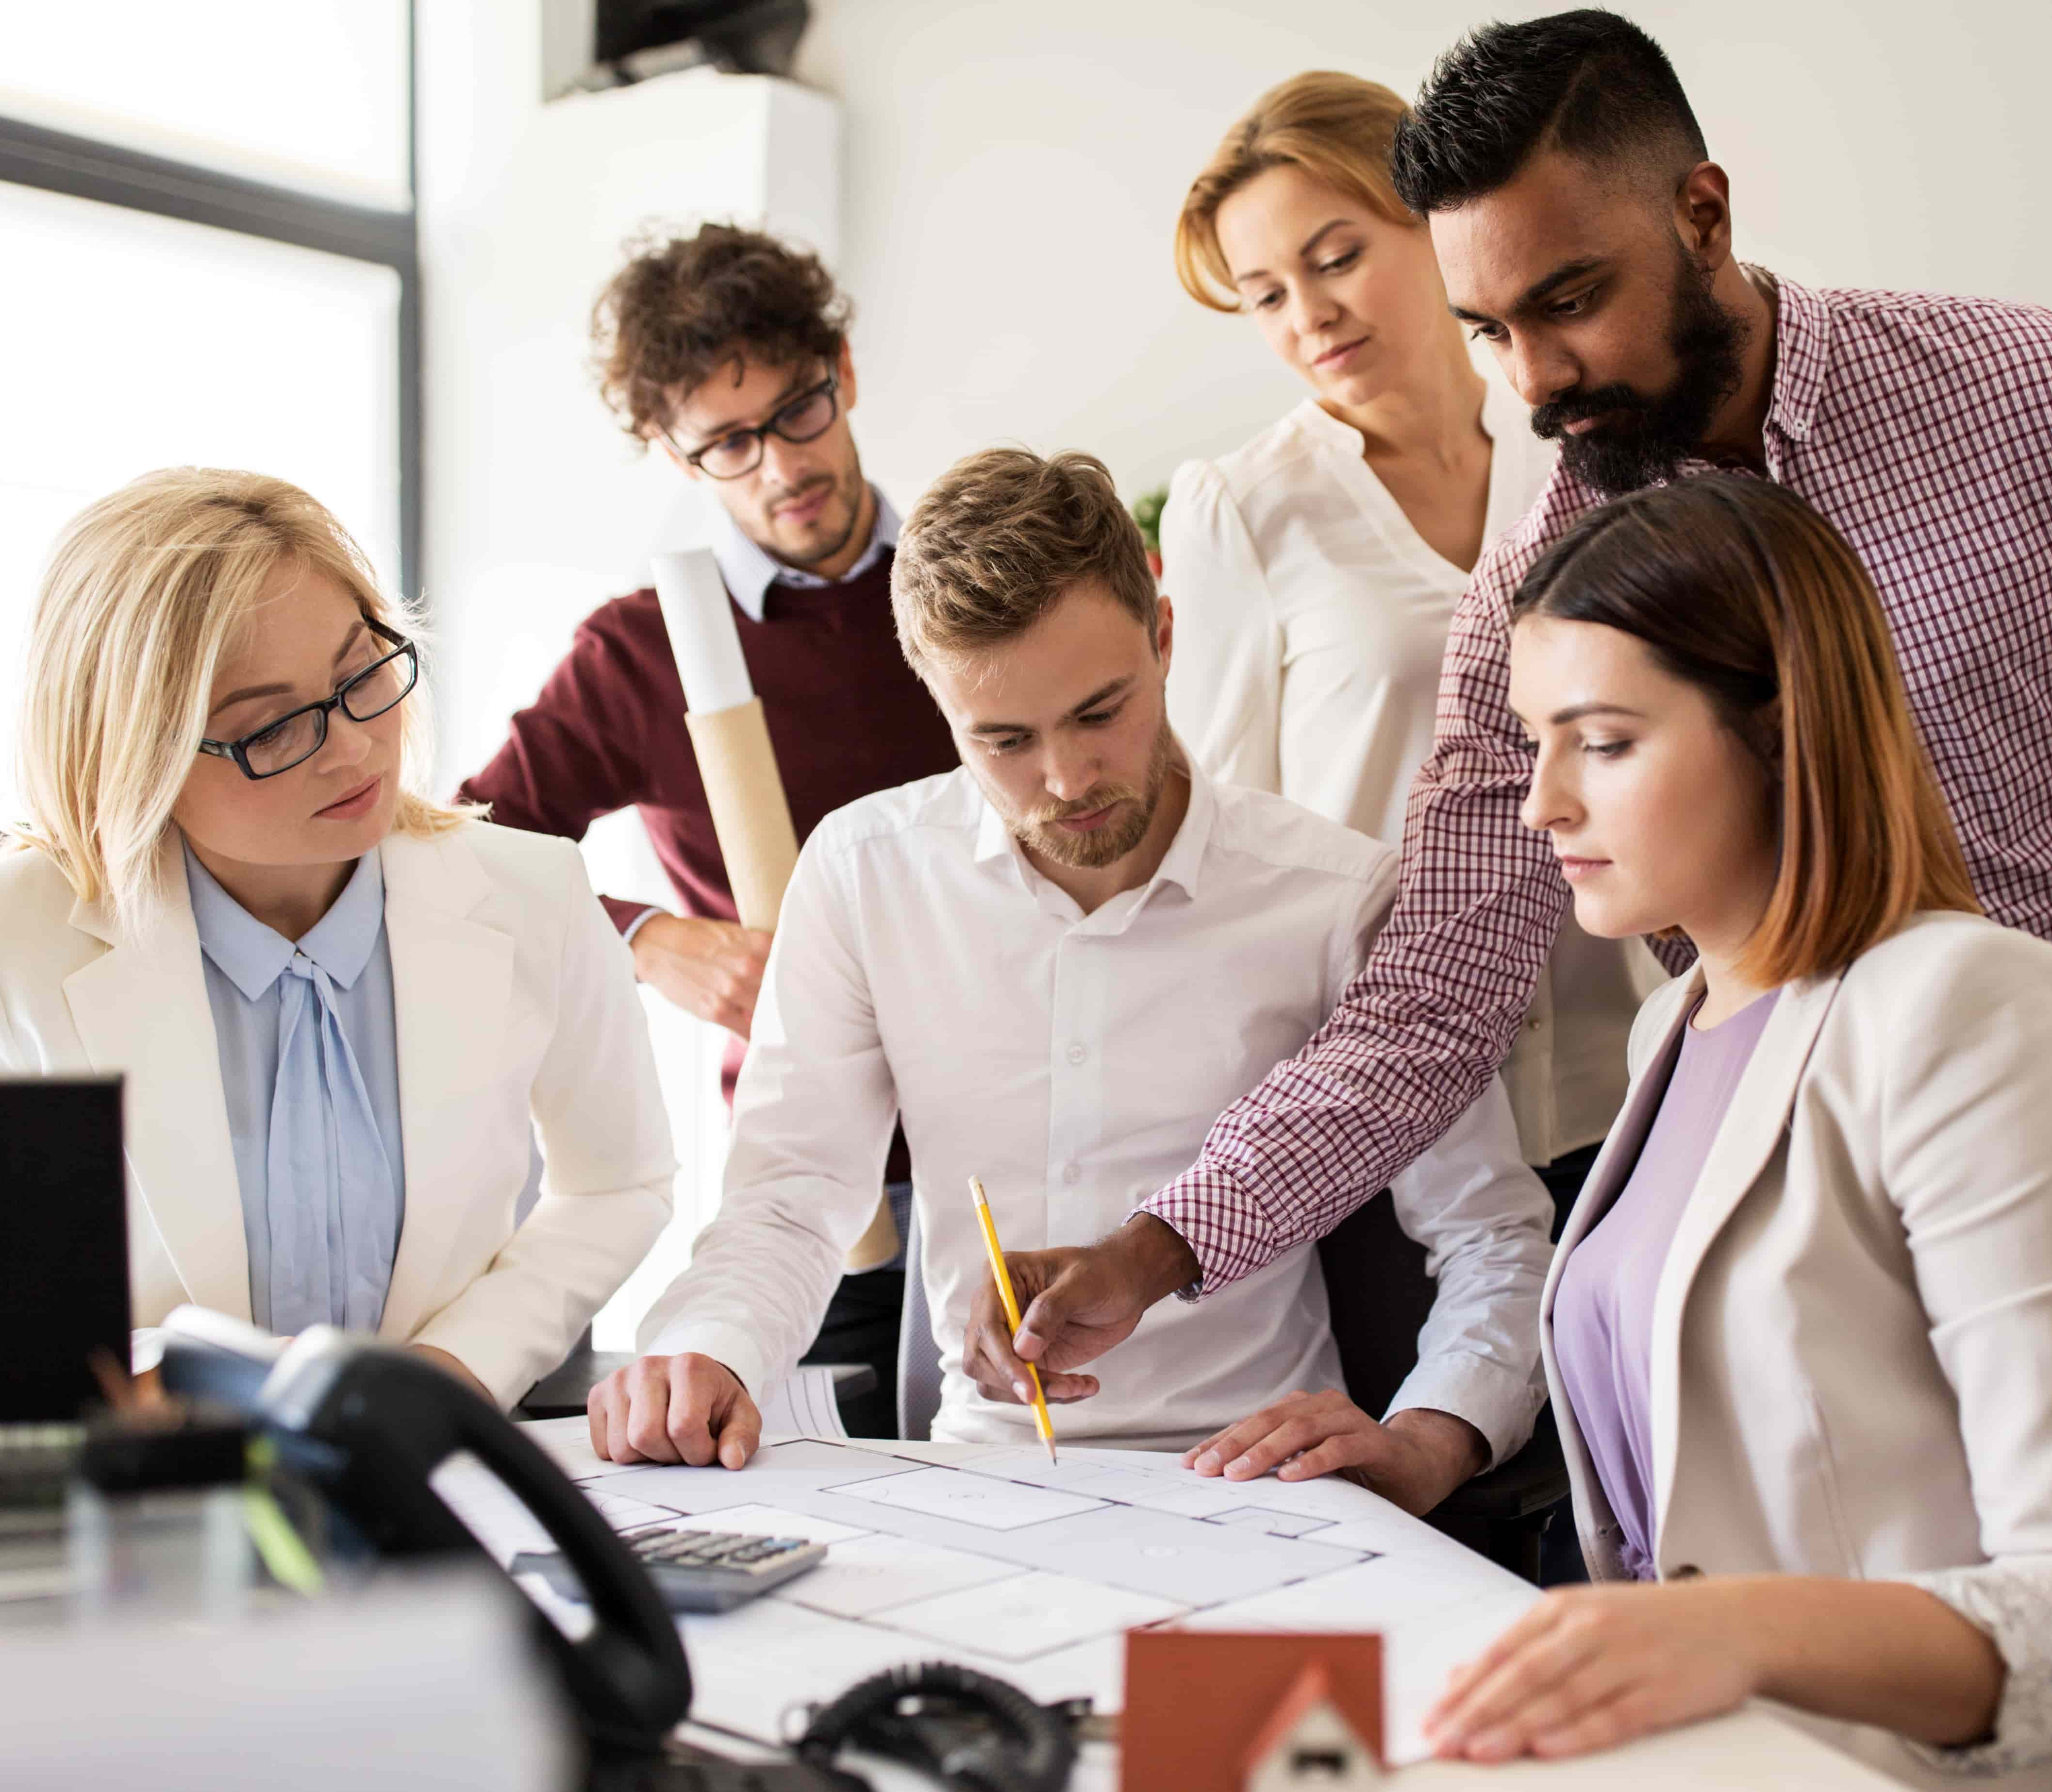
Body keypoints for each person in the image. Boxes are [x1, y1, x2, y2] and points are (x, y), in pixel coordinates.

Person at [968, 7, 2052, 1404]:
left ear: (1704, 215)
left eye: (1571, 303)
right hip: (1766, 1155)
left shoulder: (2044, 393)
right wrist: (1158, 1252)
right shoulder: (1541, 584)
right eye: (1489, 331)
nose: (1538, 381)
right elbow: (1435, 993)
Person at [1419, 475, 2052, 1792]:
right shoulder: (1670, 1029)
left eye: (1605, 743)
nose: (1541, 805)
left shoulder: (1972, 1007)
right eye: (1536, 743)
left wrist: (1725, 1637)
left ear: (1781, 733)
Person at [585, 448, 1550, 1519]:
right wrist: (704, 1353)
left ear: (1166, 638)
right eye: (1003, 739)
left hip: (1264, 1484)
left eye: (1102, 711)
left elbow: (1493, 1240)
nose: (1067, 780)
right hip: (974, 1481)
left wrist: (1433, 1439)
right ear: (938, 704)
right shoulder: (864, 873)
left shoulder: (1333, 896)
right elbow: (791, 1197)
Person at [0, 469, 675, 1406]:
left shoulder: (532, 891)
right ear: (135, 754)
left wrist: (456, 1369)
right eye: (273, 727)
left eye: (361, 676)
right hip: (155, 1497)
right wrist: (163, 1387)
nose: (351, 748)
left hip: (436, 1471)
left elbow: (619, 1184)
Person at [460, 223, 958, 1433]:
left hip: (1019, 1140)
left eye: (797, 411)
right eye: (726, 443)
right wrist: (646, 938)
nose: (780, 465)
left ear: (842, 370)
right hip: (820, 1190)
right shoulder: (642, 649)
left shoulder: (969, 584)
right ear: (671, 452)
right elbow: (465, 845)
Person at [1164, 73, 1639, 1218]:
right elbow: (1226, 829)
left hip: (1616, 1067)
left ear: (1430, 223)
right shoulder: (1243, 507)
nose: (1309, 317)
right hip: (1395, 1113)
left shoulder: (1579, 452)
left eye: (1336, 259)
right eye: (1266, 294)